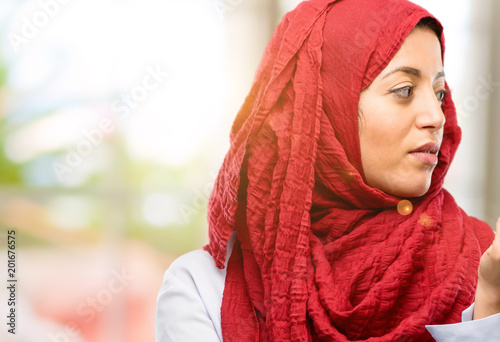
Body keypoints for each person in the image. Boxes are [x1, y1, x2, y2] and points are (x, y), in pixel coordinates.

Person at [156, 0, 500, 340]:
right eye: (405, 91)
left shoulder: (484, 260)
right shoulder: (200, 291)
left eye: (439, 94)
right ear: (322, 109)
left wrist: (491, 301)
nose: (436, 117)